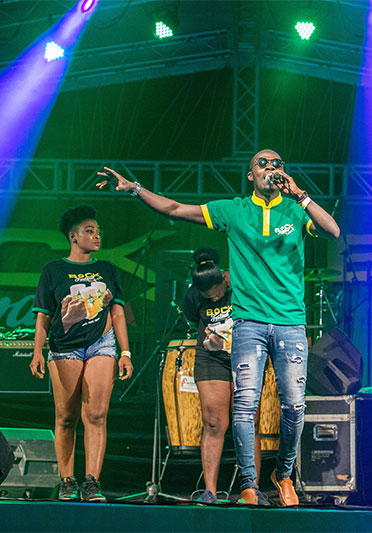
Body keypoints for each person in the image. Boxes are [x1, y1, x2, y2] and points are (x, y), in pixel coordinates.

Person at [97, 149, 340, 506]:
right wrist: (135, 188)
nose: (270, 168)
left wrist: (300, 195)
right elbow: (175, 209)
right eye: (262, 163)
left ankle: (284, 474)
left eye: (277, 164)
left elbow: (332, 230)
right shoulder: (233, 210)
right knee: (244, 405)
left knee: (293, 406)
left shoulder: (294, 209)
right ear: (250, 175)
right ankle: (248, 485)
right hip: (249, 321)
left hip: (289, 321)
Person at [29, 204, 133, 502]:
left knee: (96, 415)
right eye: (90, 231)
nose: (97, 235)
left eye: (98, 231)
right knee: (66, 417)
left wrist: (125, 352)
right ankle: (67, 480)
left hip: (102, 344)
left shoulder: (107, 269)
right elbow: (43, 316)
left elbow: (118, 313)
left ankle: (91, 482)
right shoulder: (53, 270)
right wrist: (37, 351)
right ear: (73, 236)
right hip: (64, 347)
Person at [181, 247, 260, 503]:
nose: (214, 300)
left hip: (245, 355)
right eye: (209, 298)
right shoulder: (193, 295)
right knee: (214, 422)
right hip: (211, 358)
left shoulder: (240, 282)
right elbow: (193, 321)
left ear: (224, 280)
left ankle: (251, 489)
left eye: (217, 294)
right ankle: (210, 491)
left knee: (248, 422)